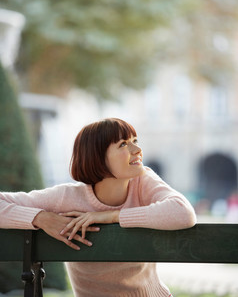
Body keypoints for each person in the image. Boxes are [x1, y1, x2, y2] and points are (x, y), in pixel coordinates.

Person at [0, 118, 196, 297]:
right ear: (98, 158)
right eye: (123, 144)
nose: (137, 150)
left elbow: (183, 213)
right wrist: (41, 218)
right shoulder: (66, 197)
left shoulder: (143, 181)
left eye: (135, 141)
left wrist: (112, 216)